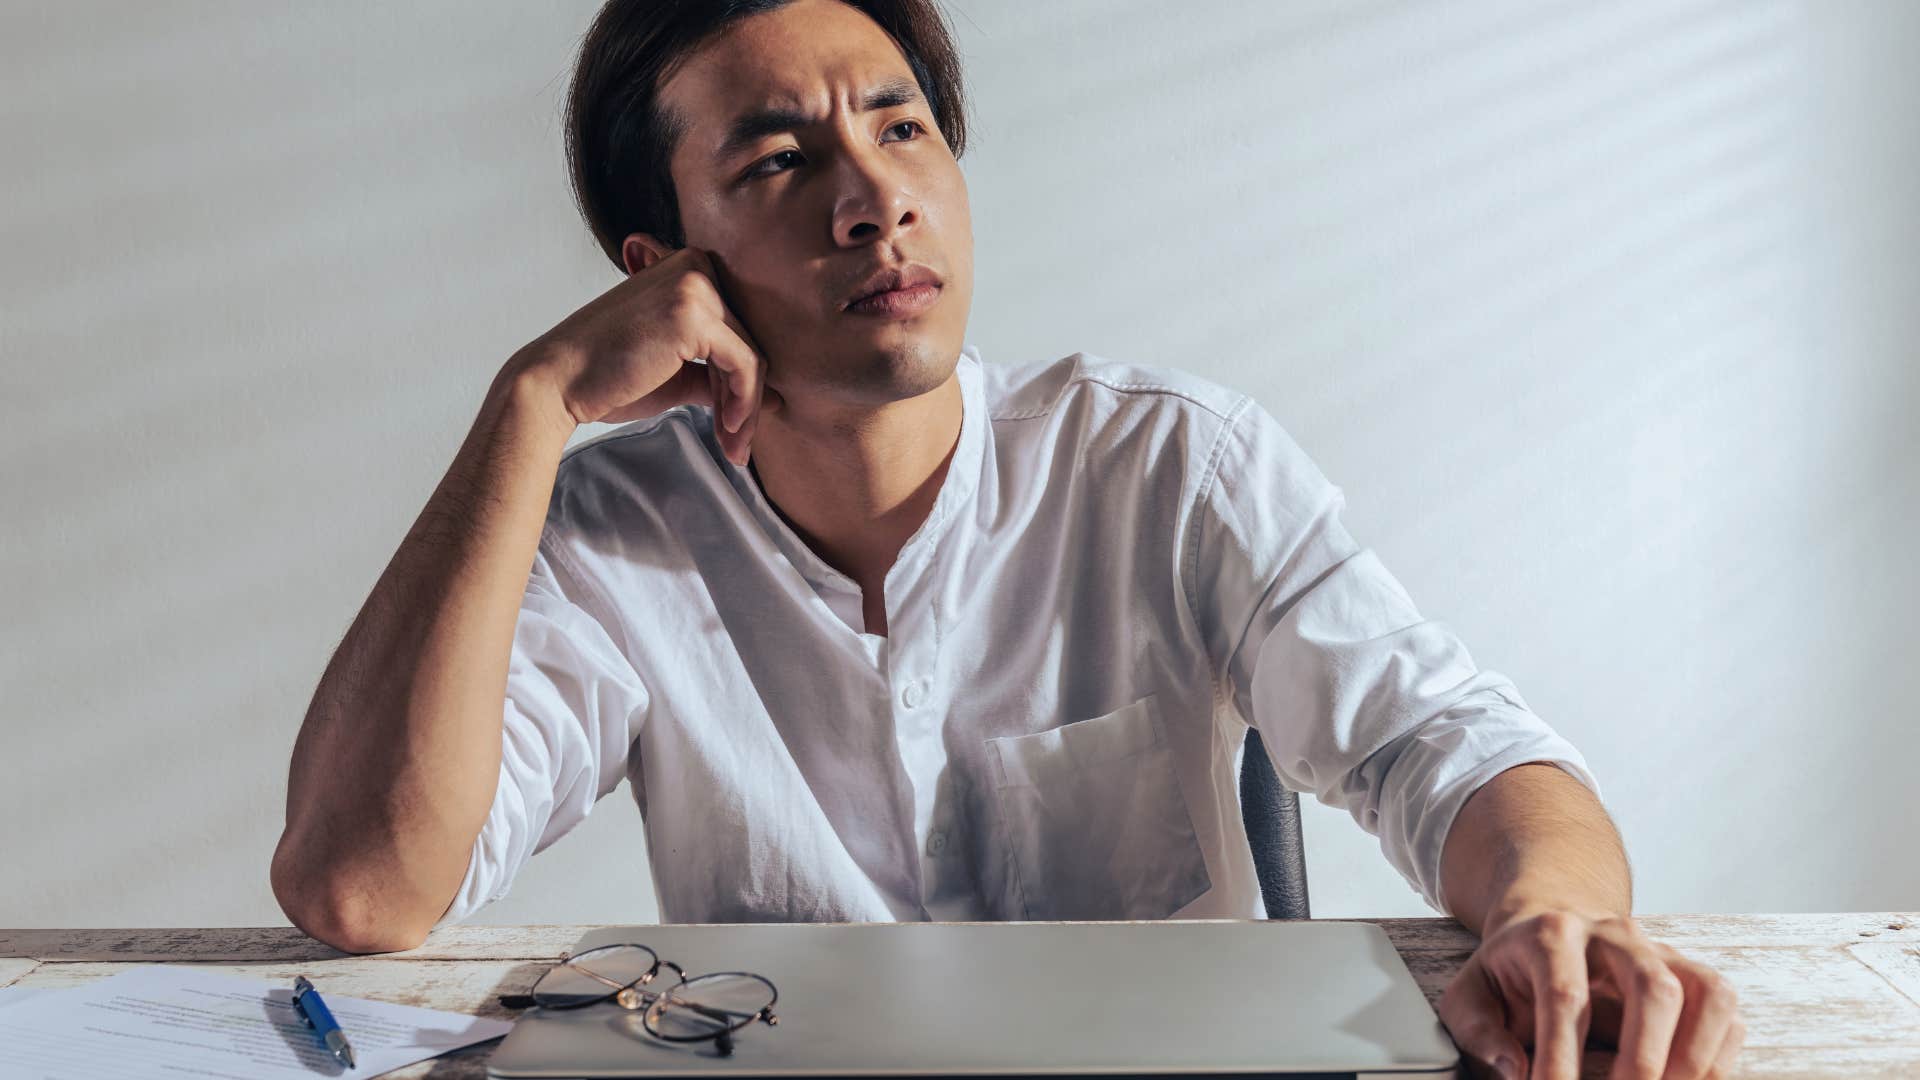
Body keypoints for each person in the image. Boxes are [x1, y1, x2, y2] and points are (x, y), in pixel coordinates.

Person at [270, 1, 1744, 1076]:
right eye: (781, 160)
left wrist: (1551, 916)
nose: (874, 199)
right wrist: (527, 404)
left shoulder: (1170, 461)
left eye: (901, 128)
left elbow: (1461, 753)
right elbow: (362, 889)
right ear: (664, 273)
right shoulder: (615, 530)